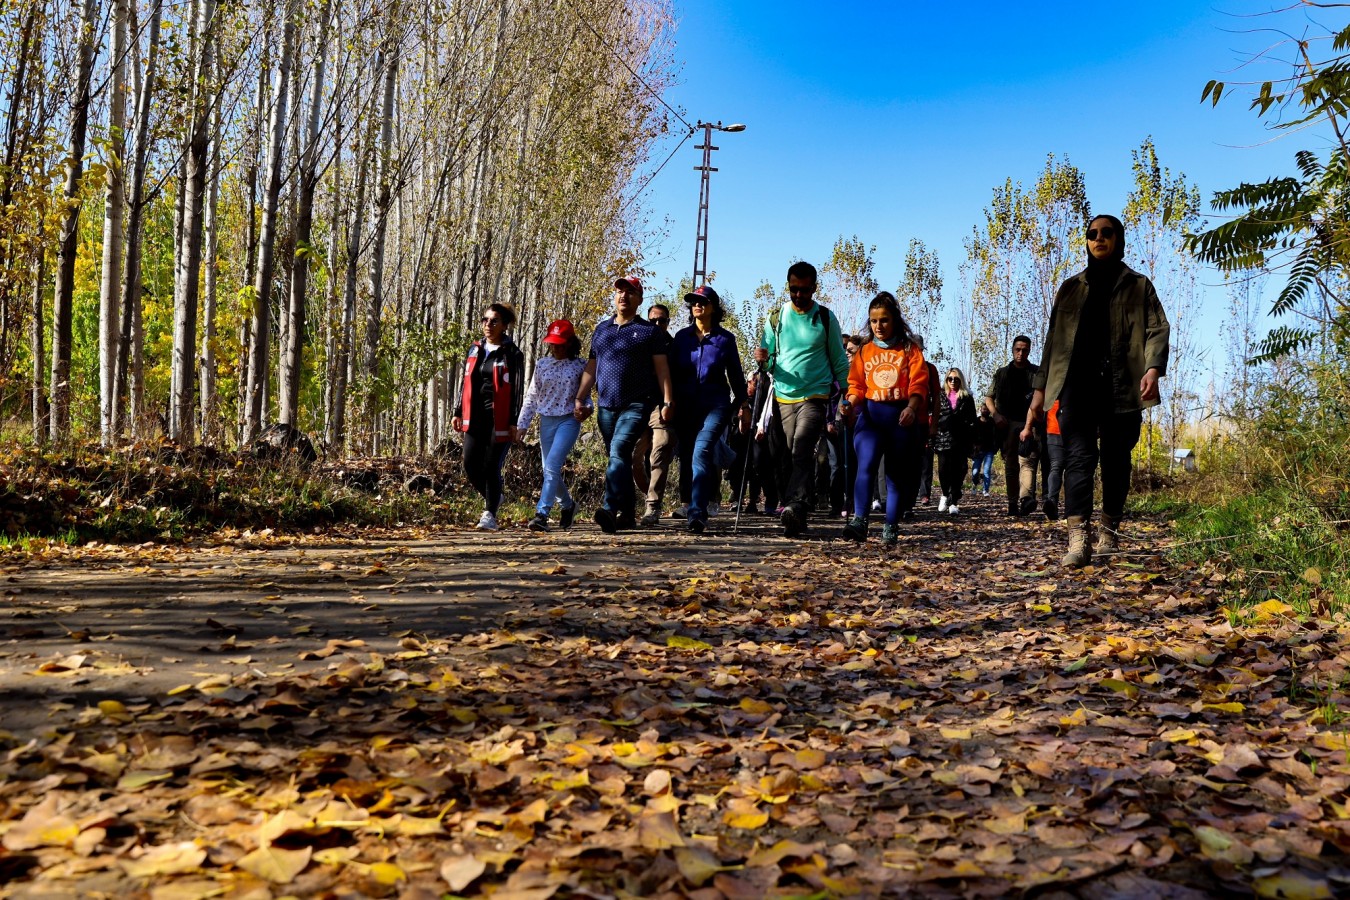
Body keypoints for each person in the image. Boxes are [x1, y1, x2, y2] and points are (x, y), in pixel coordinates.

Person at [1023, 214, 1170, 567]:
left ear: (1119, 239)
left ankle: (1109, 531)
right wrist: (1040, 390)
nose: (1099, 238)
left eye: (1106, 233)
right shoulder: (1071, 288)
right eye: (1092, 234)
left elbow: (1157, 329)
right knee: (1078, 459)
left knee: (1117, 460)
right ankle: (1078, 539)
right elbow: (1052, 343)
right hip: (1077, 385)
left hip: (1123, 386)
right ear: (1086, 241)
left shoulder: (1139, 285)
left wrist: (1153, 369)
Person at [573, 276, 674, 534]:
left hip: (637, 404)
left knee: (619, 452)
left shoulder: (649, 332)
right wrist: (579, 397)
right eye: (620, 291)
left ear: (639, 299)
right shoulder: (602, 330)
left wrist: (667, 401)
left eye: (630, 292)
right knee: (618, 460)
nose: (623, 296)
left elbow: (662, 370)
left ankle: (609, 508)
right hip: (606, 405)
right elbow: (592, 367)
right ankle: (628, 514)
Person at [761, 261, 850, 537]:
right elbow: (769, 362)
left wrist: (848, 394)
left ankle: (795, 505)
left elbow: (838, 359)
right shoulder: (776, 318)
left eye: (804, 290)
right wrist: (763, 360)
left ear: (814, 288)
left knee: (801, 447)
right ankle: (797, 509)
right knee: (788, 454)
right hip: (784, 396)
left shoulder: (825, 317)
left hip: (815, 395)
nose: (798, 295)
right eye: (794, 289)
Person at [839, 292, 927, 546]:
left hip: (900, 419)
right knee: (865, 465)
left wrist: (911, 408)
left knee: (894, 476)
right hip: (871, 418)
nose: (879, 326)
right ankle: (860, 521)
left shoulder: (909, 350)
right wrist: (849, 404)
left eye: (884, 320)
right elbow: (856, 386)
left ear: (895, 320)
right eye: (874, 321)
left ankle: (890, 525)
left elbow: (919, 384)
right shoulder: (864, 351)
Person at [668, 285, 749, 533]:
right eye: (693, 301)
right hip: (685, 409)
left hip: (715, 406)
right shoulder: (681, 338)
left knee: (702, 452)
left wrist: (743, 406)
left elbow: (736, 377)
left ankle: (697, 513)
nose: (697, 305)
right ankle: (697, 504)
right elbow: (669, 373)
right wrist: (667, 402)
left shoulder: (725, 340)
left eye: (703, 301)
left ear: (714, 307)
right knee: (689, 456)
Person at [452, 303, 525, 530]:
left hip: (500, 418)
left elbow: (517, 389)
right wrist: (457, 411)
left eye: (494, 321)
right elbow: (464, 383)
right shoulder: (475, 349)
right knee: (470, 464)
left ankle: (489, 514)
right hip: (474, 416)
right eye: (485, 320)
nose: (488, 325)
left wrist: (515, 422)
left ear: (504, 325)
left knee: (492, 465)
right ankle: (493, 496)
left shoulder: (512, 353)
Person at [517, 319, 588, 532]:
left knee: (552, 467)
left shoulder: (580, 365)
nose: (555, 347)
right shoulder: (542, 364)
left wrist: (585, 409)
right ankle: (568, 506)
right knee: (548, 469)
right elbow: (532, 396)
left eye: (560, 343)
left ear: (570, 343)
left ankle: (542, 514)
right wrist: (523, 424)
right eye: (552, 343)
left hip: (568, 420)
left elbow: (586, 397)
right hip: (546, 420)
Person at [985, 335, 1040, 517]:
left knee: (1028, 461)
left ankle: (1026, 499)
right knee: (1010, 464)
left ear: (1029, 351)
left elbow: (1040, 399)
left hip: (1029, 423)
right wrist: (995, 415)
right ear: (1012, 349)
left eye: (1024, 350)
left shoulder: (1036, 373)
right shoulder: (1002, 373)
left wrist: (1030, 425)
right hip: (1006, 424)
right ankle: (1012, 502)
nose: (1021, 353)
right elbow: (988, 397)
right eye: (1018, 349)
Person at [631, 303, 676, 525]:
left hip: (663, 406)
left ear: (668, 322)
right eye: (653, 321)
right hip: (638, 406)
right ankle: (646, 495)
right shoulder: (638, 342)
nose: (658, 324)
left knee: (660, 448)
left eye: (662, 321)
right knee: (632, 456)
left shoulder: (675, 347)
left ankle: (653, 506)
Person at [898, 334, 940, 520]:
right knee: (898, 464)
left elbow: (937, 398)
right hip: (897, 422)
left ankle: (908, 505)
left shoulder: (930, 369)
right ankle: (895, 502)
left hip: (921, 423)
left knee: (915, 465)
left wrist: (934, 425)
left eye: (918, 348)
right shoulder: (899, 367)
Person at [934, 367, 978, 514]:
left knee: (959, 470)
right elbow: (934, 416)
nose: (953, 381)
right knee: (943, 469)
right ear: (946, 380)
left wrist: (973, 440)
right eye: (950, 379)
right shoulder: (940, 396)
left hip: (961, 439)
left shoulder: (967, 397)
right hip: (942, 437)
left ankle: (953, 501)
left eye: (956, 379)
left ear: (961, 381)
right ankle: (945, 494)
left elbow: (973, 420)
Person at [1042, 399, 1064, 521]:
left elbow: (1035, 406)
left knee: (1056, 467)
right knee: (1073, 468)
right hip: (1074, 428)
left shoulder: (1050, 383)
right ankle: (1072, 510)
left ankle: (1052, 501)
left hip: (1053, 429)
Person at [970, 407, 996, 496]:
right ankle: (974, 484)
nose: (985, 411)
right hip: (977, 451)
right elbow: (971, 437)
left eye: (987, 409)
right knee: (975, 471)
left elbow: (996, 435)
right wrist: (971, 450)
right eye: (984, 409)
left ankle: (985, 490)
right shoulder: (975, 422)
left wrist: (995, 448)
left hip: (989, 450)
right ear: (980, 410)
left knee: (986, 470)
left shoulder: (993, 422)